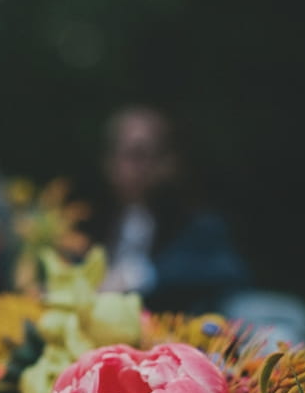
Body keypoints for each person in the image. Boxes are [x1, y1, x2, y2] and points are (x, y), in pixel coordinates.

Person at [84, 105, 254, 316]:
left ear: (171, 162)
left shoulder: (198, 222)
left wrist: (139, 275)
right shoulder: (93, 218)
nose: (133, 167)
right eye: (127, 155)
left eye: (144, 155)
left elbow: (229, 272)